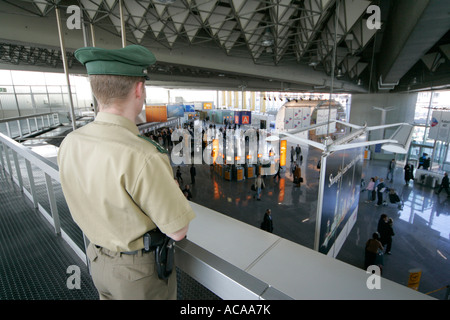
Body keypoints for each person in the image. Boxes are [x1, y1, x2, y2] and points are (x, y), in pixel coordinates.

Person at [58, 45, 196, 300]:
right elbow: (178, 230)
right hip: (138, 277)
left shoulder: (71, 142)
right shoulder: (143, 155)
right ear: (139, 89)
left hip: (97, 260)